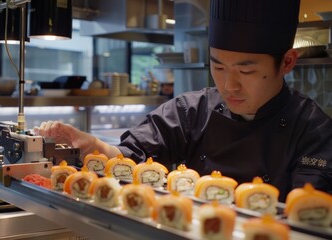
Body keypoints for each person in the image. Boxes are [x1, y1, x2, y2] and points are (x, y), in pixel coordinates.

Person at [34, 0, 332, 202]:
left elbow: (308, 216)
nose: (230, 85)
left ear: (287, 62)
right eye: (218, 67)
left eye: (246, 70)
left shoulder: (313, 130)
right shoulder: (191, 111)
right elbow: (130, 158)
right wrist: (93, 146)